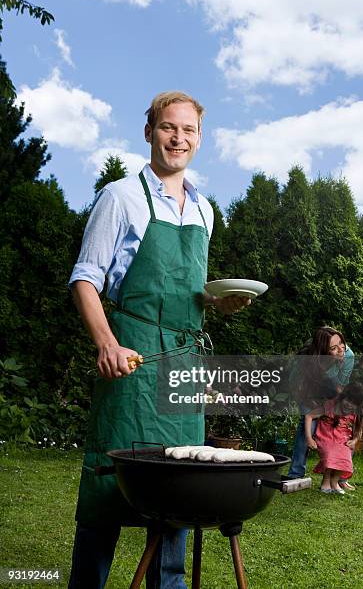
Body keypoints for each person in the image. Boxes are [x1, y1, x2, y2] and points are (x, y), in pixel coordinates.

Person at [68, 91, 250, 588]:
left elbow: (193, 293)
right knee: (109, 487)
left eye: (188, 130)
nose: (178, 138)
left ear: (200, 139)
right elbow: (86, 278)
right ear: (149, 131)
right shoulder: (120, 197)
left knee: (180, 489)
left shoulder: (206, 212)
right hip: (131, 360)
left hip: (183, 366)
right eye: (169, 127)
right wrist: (106, 342)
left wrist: (219, 303)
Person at [286, 326, 355, 489]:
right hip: (307, 389)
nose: (341, 350)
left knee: (342, 430)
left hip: (331, 390)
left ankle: (340, 477)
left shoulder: (349, 356)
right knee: (308, 425)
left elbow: (340, 387)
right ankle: (295, 474)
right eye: (333, 348)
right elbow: (295, 384)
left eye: (341, 343)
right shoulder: (308, 361)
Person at [305, 382, 363, 493]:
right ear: (342, 397)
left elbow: (359, 430)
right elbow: (309, 416)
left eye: (354, 403)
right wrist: (309, 438)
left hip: (342, 439)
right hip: (326, 437)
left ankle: (334, 482)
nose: (350, 405)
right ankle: (326, 482)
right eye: (348, 400)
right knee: (331, 454)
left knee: (345, 457)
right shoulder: (330, 406)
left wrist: (354, 440)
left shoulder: (356, 413)